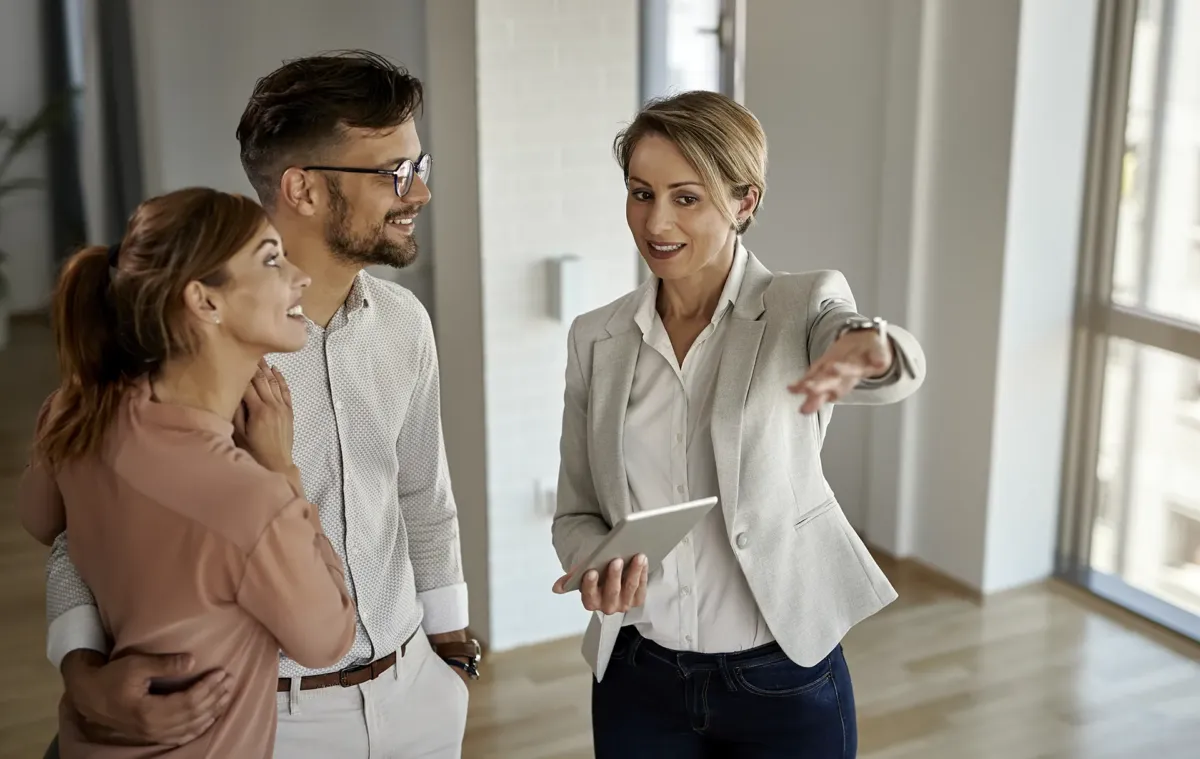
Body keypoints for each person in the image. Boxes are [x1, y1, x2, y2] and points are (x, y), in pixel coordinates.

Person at [39, 51, 477, 758]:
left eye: (418, 166)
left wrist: (450, 650)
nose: (419, 192)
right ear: (303, 189)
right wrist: (82, 668)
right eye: (395, 172)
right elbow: (80, 530)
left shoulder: (405, 324)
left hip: (415, 690)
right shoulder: (194, 351)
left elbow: (423, 494)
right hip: (264, 716)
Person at [550, 90, 927, 758]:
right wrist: (594, 564)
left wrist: (872, 347)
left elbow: (874, 351)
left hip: (783, 679)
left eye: (686, 197)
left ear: (744, 202)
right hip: (639, 678)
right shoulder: (596, 338)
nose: (656, 221)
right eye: (641, 193)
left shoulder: (800, 306)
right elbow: (576, 511)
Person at [16, 187, 358, 757]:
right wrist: (282, 469)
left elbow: (43, 522)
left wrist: (81, 670)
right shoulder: (252, 498)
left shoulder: (76, 414)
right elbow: (328, 640)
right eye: (271, 260)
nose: (299, 276)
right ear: (204, 301)